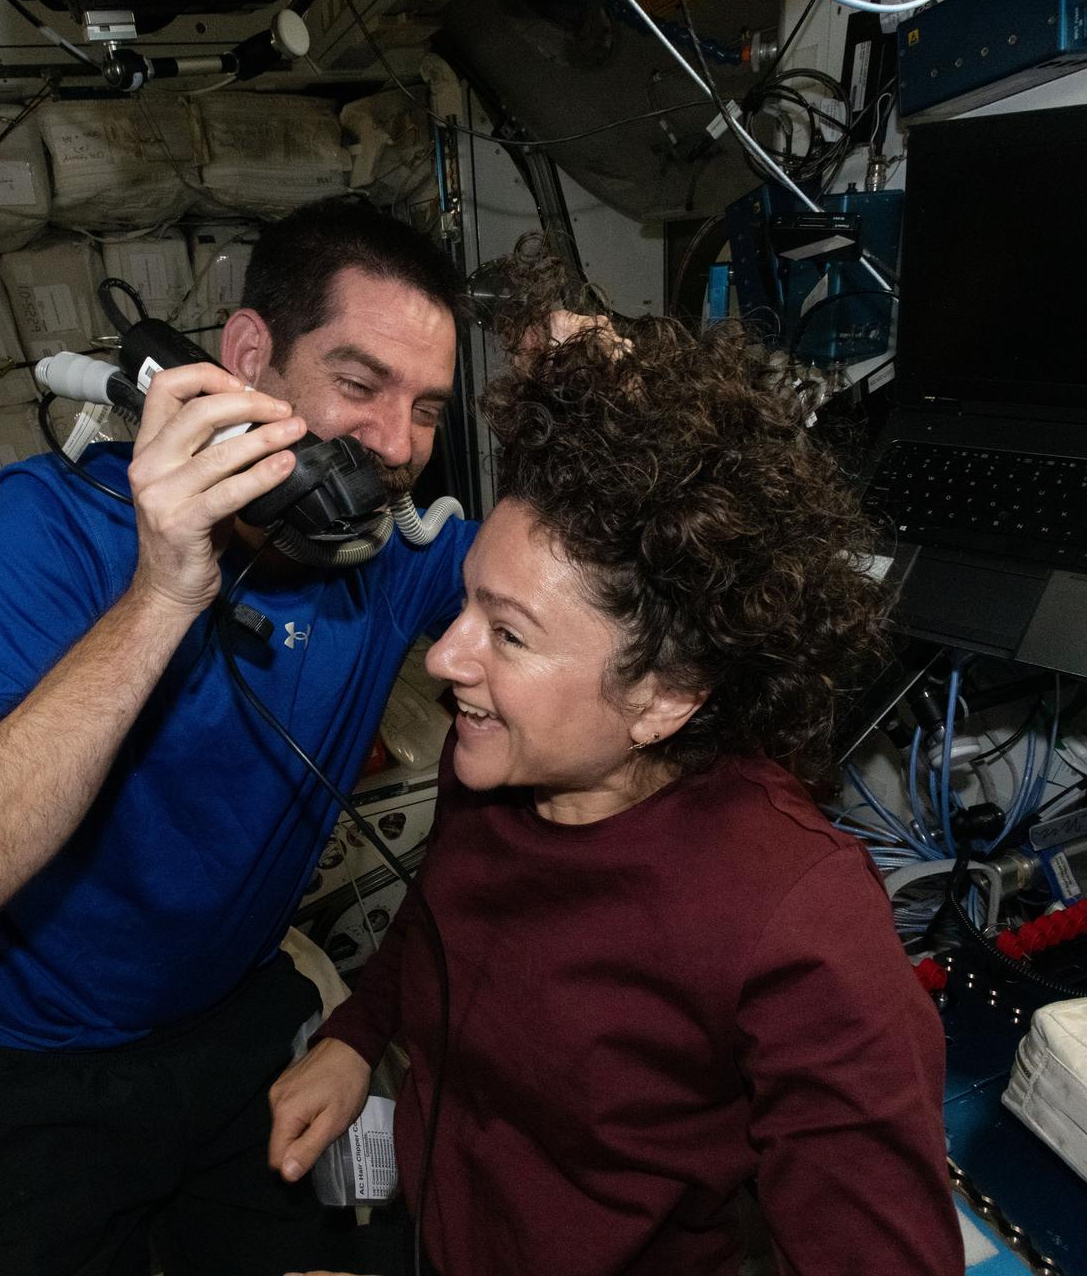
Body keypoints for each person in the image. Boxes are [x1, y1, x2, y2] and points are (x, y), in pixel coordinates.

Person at [267, 255, 966, 1276]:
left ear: (663, 695)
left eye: (508, 634)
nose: (446, 658)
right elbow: (439, 919)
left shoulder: (794, 918)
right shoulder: (495, 760)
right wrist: (356, 1034)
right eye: (466, 606)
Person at [0, 196, 478, 1276]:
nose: (395, 447)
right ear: (247, 359)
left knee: (358, 1233)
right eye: (360, 384)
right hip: (31, 1059)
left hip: (243, 1011)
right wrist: (162, 595)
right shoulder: (50, 527)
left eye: (426, 409)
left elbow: (583, 603)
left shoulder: (392, 557)